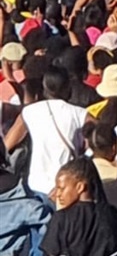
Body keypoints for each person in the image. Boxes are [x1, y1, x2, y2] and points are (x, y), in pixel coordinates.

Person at [3, 68, 88, 199]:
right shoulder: (81, 113)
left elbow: (7, 145)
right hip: (67, 188)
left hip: (36, 186)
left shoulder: (29, 112)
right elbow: (99, 140)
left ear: (45, 87)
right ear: (68, 86)